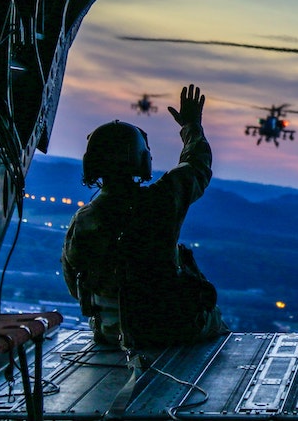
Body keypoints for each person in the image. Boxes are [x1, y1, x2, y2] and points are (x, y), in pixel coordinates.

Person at [61, 84, 228, 348]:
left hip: (110, 332)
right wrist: (191, 127)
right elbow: (196, 166)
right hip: (168, 329)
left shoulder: (83, 220)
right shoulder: (162, 200)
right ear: (141, 159)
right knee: (214, 319)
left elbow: (75, 283)